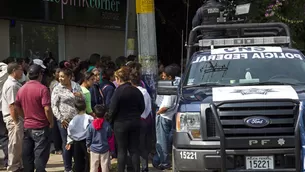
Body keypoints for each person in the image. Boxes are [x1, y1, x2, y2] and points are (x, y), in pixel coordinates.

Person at [15, 64, 53, 172]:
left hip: (27, 126)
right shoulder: (43, 89)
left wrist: (25, 116)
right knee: (40, 155)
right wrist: (51, 122)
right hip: (41, 126)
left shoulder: (22, 88)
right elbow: (47, 109)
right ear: (40, 75)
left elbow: (16, 106)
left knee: (27, 155)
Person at [108, 67, 145, 172]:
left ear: (119, 79)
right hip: (135, 122)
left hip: (120, 123)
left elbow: (112, 109)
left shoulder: (118, 91)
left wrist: (110, 121)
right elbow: (142, 107)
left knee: (121, 150)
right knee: (134, 149)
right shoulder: (136, 90)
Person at [51, 68, 83, 172]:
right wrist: (60, 119)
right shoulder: (57, 88)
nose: (60, 78)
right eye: (59, 76)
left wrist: (80, 96)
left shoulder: (76, 86)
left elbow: (82, 101)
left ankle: (78, 166)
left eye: (63, 76)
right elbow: (54, 106)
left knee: (77, 142)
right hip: (65, 120)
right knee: (67, 143)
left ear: (69, 77)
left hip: (77, 119)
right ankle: (67, 168)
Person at [1, 62, 24, 172]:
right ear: (14, 70)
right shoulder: (12, 85)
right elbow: (13, 106)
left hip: (15, 117)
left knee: (18, 143)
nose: (22, 72)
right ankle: (13, 167)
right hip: (14, 118)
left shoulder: (14, 83)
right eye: (20, 69)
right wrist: (16, 122)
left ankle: (17, 165)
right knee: (15, 143)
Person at [130, 69, 152, 172]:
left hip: (134, 121)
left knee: (133, 146)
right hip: (143, 121)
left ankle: (134, 167)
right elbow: (148, 108)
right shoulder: (145, 92)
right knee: (142, 145)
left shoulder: (131, 92)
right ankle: (144, 167)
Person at [66, 98, 93, 172]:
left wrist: (69, 141)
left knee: (78, 158)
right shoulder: (89, 118)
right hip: (86, 140)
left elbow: (70, 131)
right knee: (87, 158)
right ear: (85, 107)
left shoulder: (73, 120)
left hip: (76, 141)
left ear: (76, 109)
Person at [86, 105, 112, 172]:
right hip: (105, 149)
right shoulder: (107, 125)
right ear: (104, 114)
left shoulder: (91, 125)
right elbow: (110, 136)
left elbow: (88, 137)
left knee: (93, 167)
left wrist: (88, 146)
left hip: (94, 149)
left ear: (94, 114)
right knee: (105, 167)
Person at [0, 62, 8, 169]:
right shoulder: (2, 78)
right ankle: (7, 161)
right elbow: (6, 68)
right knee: (4, 137)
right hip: (1, 110)